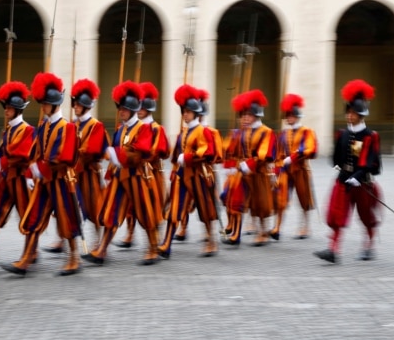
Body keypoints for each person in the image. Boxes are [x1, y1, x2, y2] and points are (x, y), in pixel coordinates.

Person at [0, 72, 82, 276]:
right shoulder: (43, 126)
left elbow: (64, 157)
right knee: (34, 217)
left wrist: (40, 168)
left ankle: (74, 257)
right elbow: (35, 152)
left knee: (66, 218)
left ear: (54, 105)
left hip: (60, 180)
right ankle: (26, 258)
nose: (43, 107)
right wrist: (31, 171)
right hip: (43, 182)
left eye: (45, 103)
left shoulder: (69, 128)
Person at [82, 80, 160, 266]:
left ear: (133, 109)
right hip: (120, 177)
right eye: (120, 108)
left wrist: (118, 154)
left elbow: (142, 152)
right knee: (112, 211)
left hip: (137, 177)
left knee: (144, 213)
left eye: (124, 109)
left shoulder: (144, 128)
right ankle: (102, 250)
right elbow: (113, 148)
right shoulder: (121, 128)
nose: (121, 111)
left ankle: (153, 248)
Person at [314, 79, 382, 264]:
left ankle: (368, 245)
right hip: (343, 180)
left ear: (361, 115)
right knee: (336, 214)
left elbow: (371, 162)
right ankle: (333, 250)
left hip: (362, 183)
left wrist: (358, 177)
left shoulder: (370, 136)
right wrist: (338, 165)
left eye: (353, 113)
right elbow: (335, 157)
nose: (349, 115)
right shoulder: (342, 134)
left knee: (366, 216)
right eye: (348, 112)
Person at [42, 78, 110, 253]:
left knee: (93, 208)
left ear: (87, 106)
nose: (75, 107)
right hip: (72, 174)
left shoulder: (96, 126)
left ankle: (98, 241)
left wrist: (72, 154)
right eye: (74, 104)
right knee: (66, 207)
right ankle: (62, 239)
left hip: (88, 174)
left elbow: (90, 150)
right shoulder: (72, 124)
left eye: (79, 105)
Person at [159, 84, 219, 258]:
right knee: (175, 210)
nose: (184, 114)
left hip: (198, 175)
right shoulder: (183, 132)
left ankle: (211, 240)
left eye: (187, 111)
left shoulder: (203, 131)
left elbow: (208, 151)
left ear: (195, 113)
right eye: (183, 111)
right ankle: (166, 244)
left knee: (204, 208)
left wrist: (189, 157)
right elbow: (177, 153)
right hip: (182, 176)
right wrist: (175, 166)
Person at [114, 81, 170, 249]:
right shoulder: (131, 126)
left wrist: (140, 153)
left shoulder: (156, 128)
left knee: (152, 204)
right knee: (131, 205)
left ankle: (155, 236)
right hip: (133, 169)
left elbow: (161, 150)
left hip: (152, 171)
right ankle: (130, 233)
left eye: (142, 109)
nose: (139, 111)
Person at [0, 81, 36, 258]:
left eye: (9, 108)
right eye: (5, 107)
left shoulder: (28, 130)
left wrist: (4, 162)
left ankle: (30, 251)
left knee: (27, 215)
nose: (6, 111)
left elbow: (23, 154)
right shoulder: (8, 129)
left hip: (21, 178)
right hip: (5, 179)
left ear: (17, 109)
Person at [221, 89, 276, 246]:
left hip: (259, 172)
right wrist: (232, 163)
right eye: (243, 114)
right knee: (235, 198)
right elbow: (233, 151)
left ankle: (263, 231)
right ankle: (234, 229)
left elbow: (264, 154)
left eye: (248, 114)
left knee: (260, 204)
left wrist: (249, 164)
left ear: (257, 115)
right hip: (242, 173)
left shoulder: (267, 132)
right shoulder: (242, 132)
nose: (245, 117)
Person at [270, 93, 318, 240]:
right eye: (287, 116)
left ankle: (305, 226)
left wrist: (293, 157)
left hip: (300, 169)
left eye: (291, 115)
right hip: (285, 170)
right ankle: (277, 227)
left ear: (297, 116)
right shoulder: (283, 133)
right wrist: (276, 169)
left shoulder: (306, 131)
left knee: (304, 198)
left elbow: (309, 148)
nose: (289, 118)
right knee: (280, 198)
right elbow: (278, 152)